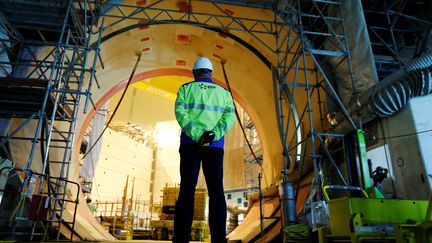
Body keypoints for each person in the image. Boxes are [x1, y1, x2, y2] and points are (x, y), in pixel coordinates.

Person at [173, 56, 236, 243]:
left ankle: (182, 239)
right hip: (214, 147)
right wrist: (213, 134)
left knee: (187, 190)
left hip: (190, 145)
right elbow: (229, 117)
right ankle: (218, 239)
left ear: (194, 73)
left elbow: (180, 113)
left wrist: (197, 133)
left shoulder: (185, 89)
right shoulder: (224, 93)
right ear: (211, 73)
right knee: (216, 191)